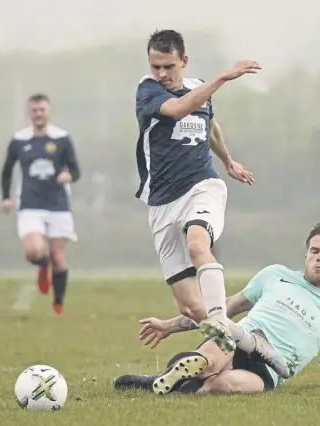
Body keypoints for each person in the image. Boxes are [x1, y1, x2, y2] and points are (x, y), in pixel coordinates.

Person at [115, 221, 320, 394]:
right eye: (314, 251)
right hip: (236, 338)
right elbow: (223, 309)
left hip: (269, 370)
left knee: (225, 386)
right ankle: (175, 375)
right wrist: (169, 325)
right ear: (305, 255)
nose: (319, 257)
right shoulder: (275, 275)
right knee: (210, 357)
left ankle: (163, 384)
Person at [135, 29, 261, 354]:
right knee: (191, 309)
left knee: (197, 244)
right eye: (155, 66)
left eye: (169, 66)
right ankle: (254, 345)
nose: (161, 74)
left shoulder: (200, 87)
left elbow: (211, 125)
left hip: (203, 186)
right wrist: (222, 77)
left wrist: (229, 161)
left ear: (184, 62)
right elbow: (178, 109)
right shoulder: (147, 91)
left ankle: (220, 319)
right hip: (162, 203)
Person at [0, 93, 81, 316]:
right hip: (30, 204)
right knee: (33, 250)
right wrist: (6, 197)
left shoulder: (62, 138)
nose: (38, 114)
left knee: (58, 257)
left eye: (42, 110)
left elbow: (76, 170)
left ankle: (58, 305)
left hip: (58, 204)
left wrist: (68, 176)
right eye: (34, 110)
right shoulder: (19, 140)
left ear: (49, 112)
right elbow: (7, 170)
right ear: (30, 113)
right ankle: (42, 265)